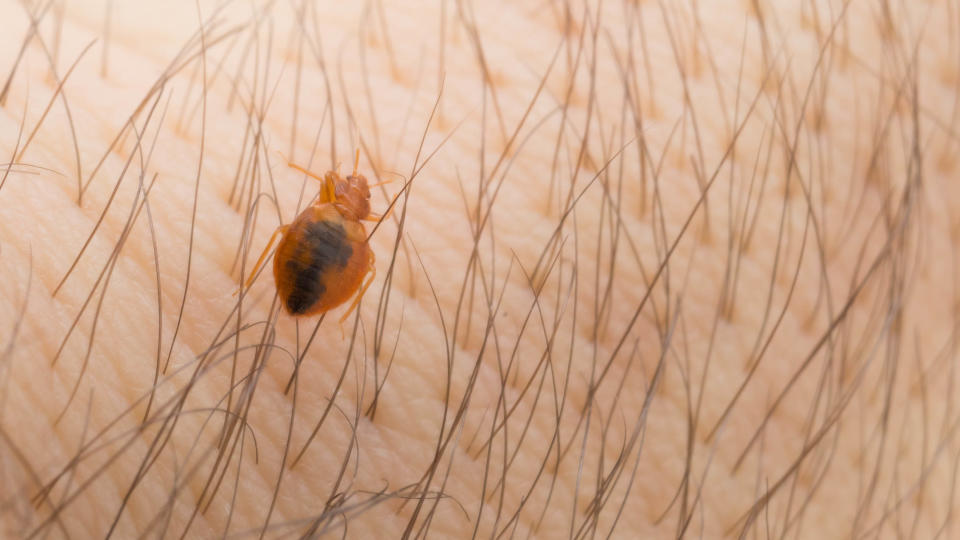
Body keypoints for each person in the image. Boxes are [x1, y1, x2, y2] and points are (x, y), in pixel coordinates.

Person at [0, 0, 955, 537]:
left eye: (346, 193)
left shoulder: (325, 223)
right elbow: (349, 259)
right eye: (344, 190)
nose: (345, 190)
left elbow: (333, 247)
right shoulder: (345, 231)